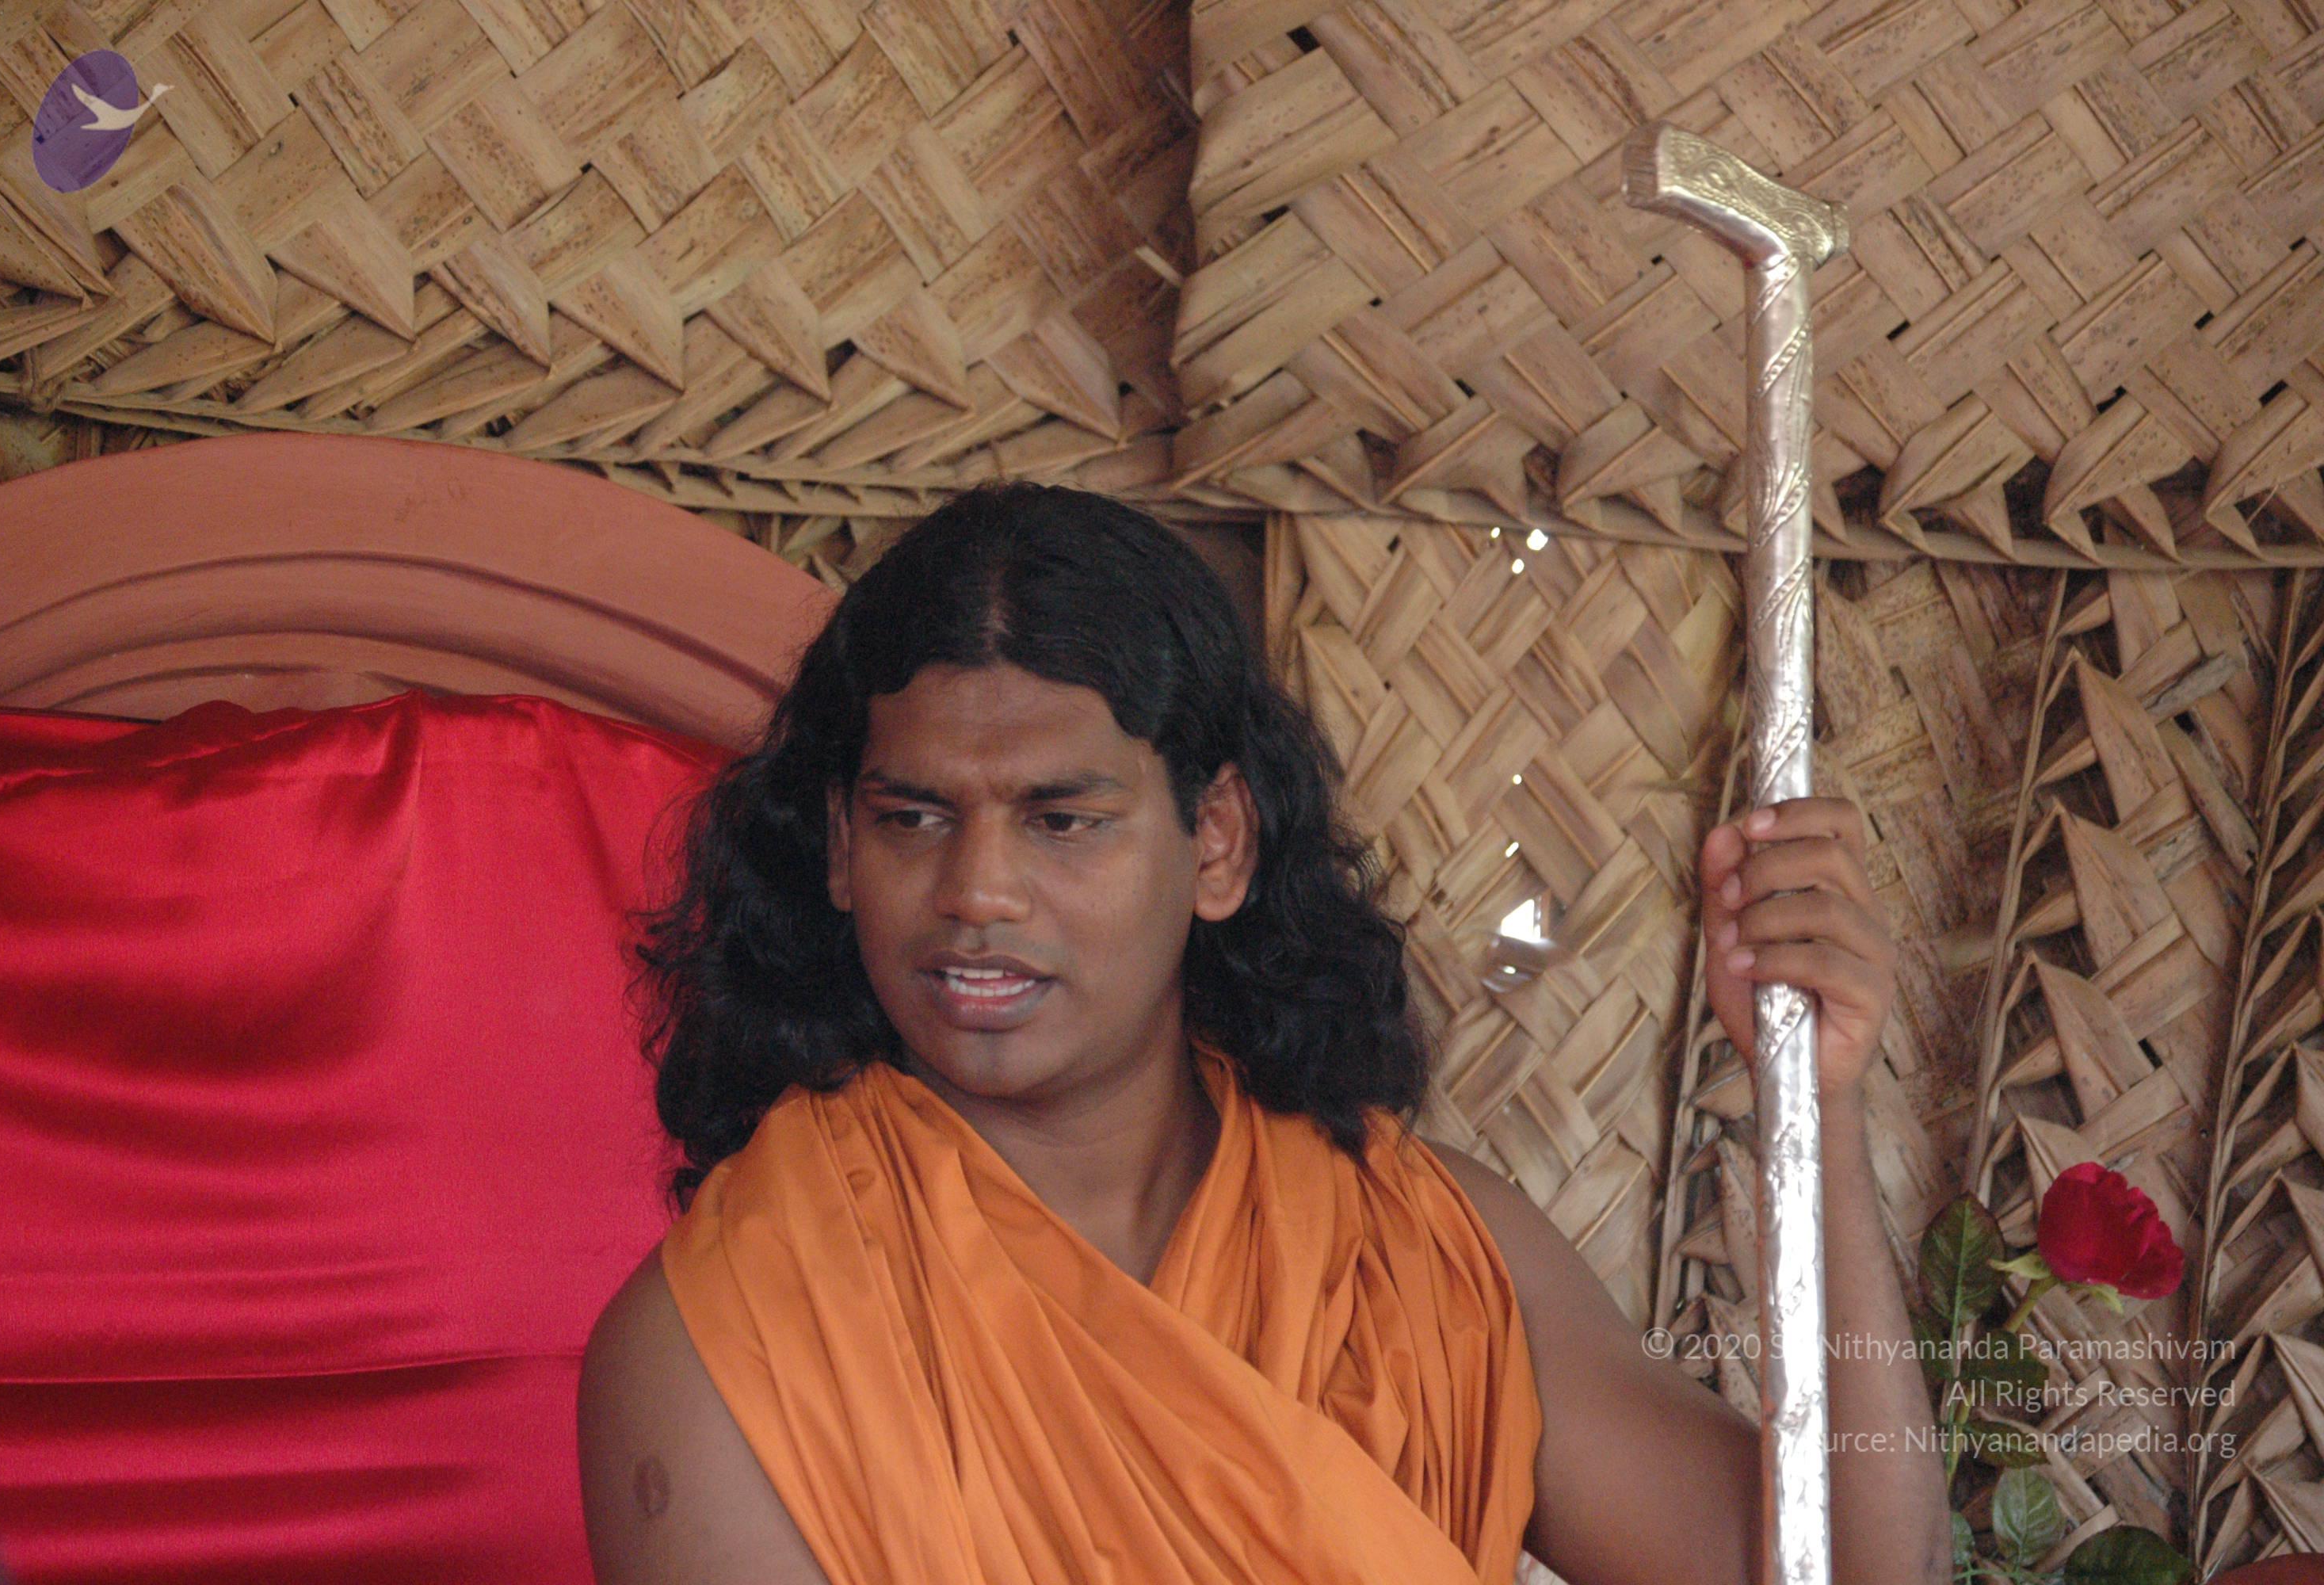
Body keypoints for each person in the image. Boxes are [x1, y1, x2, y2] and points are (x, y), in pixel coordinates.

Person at [577, 483, 1948, 1584]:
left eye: (1063, 820)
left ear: (1218, 842)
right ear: (839, 848)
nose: (977, 892)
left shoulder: (1419, 1254)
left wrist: (1815, 1111)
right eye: (914, 818)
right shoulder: (738, 1333)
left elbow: (1846, 1573)